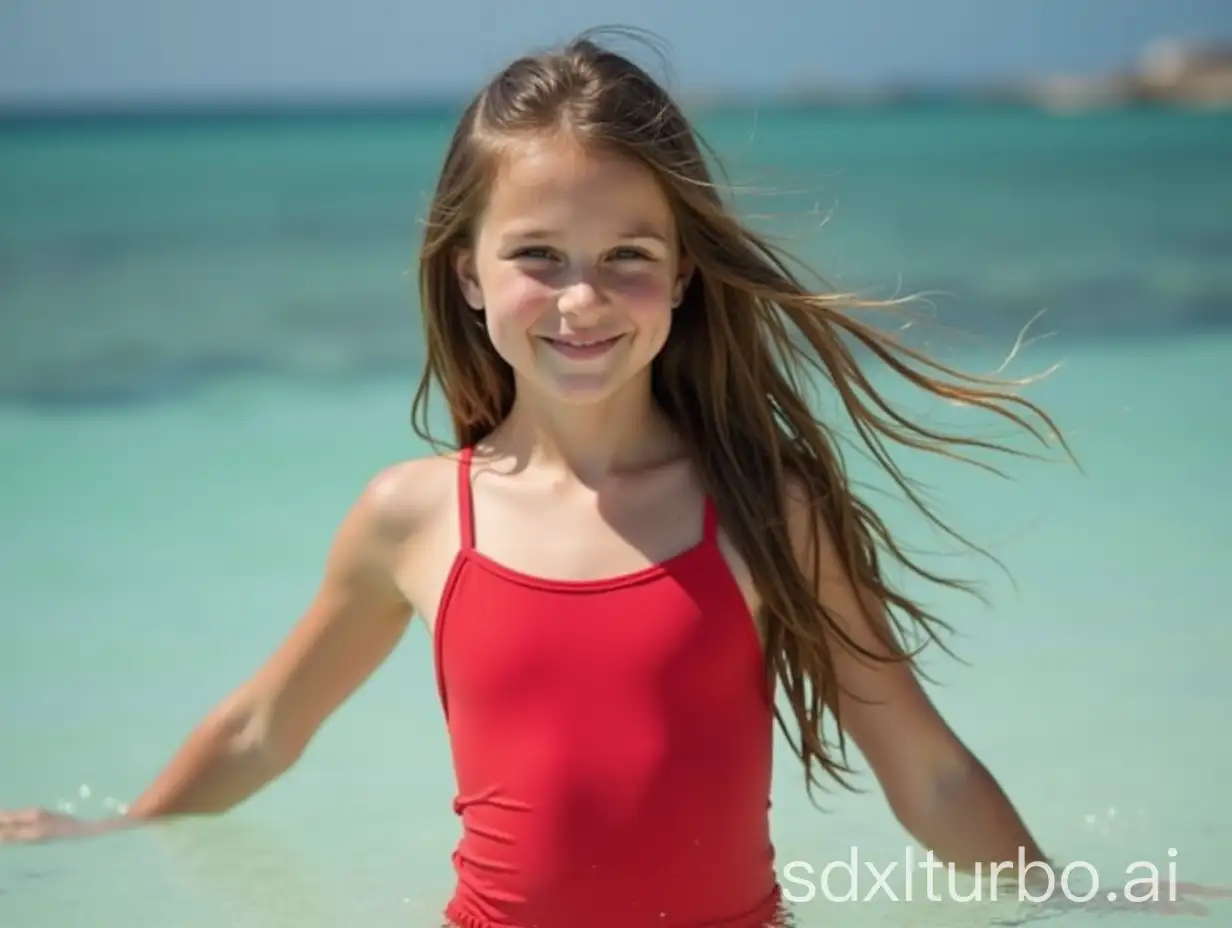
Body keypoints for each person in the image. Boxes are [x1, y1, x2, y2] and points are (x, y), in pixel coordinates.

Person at [4, 25, 1226, 928]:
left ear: (684, 273)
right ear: (469, 273)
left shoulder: (764, 506)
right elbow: (270, 723)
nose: (581, 299)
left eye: (626, 256)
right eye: (536, 255)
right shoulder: (414, 517)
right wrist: (121, 831)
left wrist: (1068, 897)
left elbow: (925, 762)